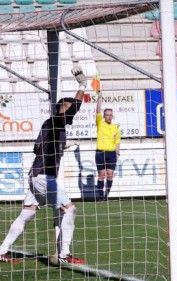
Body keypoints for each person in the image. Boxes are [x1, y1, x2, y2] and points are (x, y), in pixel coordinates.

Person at [0, 65, 87, 264]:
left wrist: (58, 149)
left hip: (36, 175)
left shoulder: (52, 127)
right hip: (43, 177)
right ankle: (64, 254)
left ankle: (2, 250)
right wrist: (83, 85)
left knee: (27, 213)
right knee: (69, 209)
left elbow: (37, 149)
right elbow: (74, 107)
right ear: (60, 109)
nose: (70, 109)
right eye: (67, 106)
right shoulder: (56, 121)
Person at [94, 89, 120, 201]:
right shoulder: (100, 123)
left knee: (110, 174)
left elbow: (117, 141)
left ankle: (106, 195)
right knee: (101, 174)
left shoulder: (116, 127)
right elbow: (98, 110)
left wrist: (117, 153)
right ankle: (100, 196)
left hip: (111, 153)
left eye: (110, 115)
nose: (109, 116)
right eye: (107, 115)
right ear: (104, 116)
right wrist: (99, 96)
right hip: (100, 152)